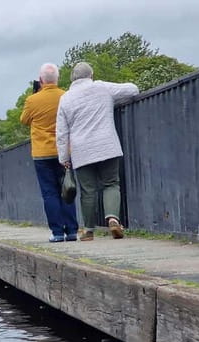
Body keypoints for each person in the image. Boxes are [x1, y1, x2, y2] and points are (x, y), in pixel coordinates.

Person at [56, 62, 139, 241]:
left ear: (72, 79)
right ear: (91, 75)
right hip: (106, 145)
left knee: (88, 191)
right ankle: (112, 219)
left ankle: (88, 231)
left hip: (81, 151)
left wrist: (64, 157)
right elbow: (133, 90)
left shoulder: (66, 98)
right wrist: (112, 100)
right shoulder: (102, 88)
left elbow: (62, 133)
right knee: (111, 184)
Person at [20, 63, 79, 242]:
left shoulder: (33, 100)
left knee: (49, 193)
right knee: (67, 190)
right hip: (64, 151)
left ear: (40, 80)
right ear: (58, 79)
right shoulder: (66, 96)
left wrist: (34, 96)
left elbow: (24, 120)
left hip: (42, 153)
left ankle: (57, 233)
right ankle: (72, 231)